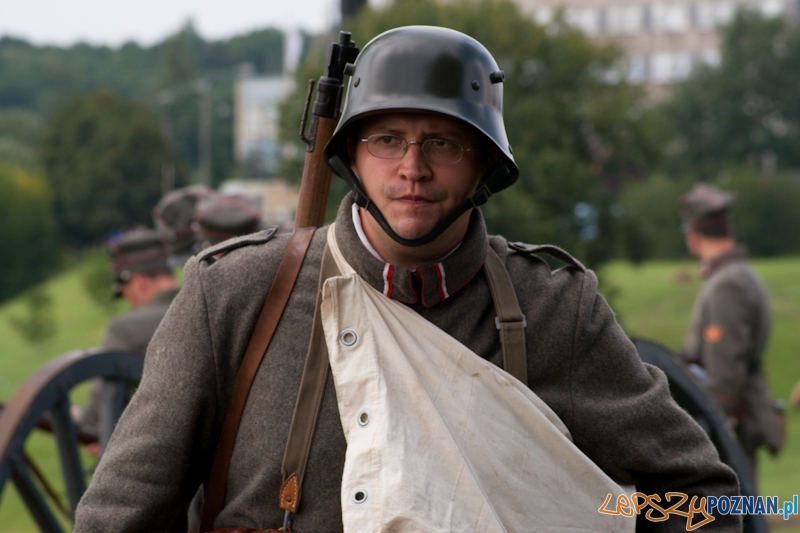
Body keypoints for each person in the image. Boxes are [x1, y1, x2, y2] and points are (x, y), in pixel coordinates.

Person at [75, 26, 739, 532]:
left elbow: (709, 500)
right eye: (387, 138)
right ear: (353, 156)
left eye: (442, 142)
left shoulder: (556, 308)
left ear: (482, 161)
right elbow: (118, 517)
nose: (412, 168)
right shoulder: (233, 293)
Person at [678, 183, 783, 478]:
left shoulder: (728, 283)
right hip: (734, 421)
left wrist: (703, 429)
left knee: (732, 517)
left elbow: (725, 373)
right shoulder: (736, 275)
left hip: (729, 427)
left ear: (692, 233)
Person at [77, 228, 180, 433]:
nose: (128, 301)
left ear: (139, 283)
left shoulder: (124, 329)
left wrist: (85, 421)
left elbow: (98, 414)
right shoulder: (209, 304)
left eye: (125, 293)